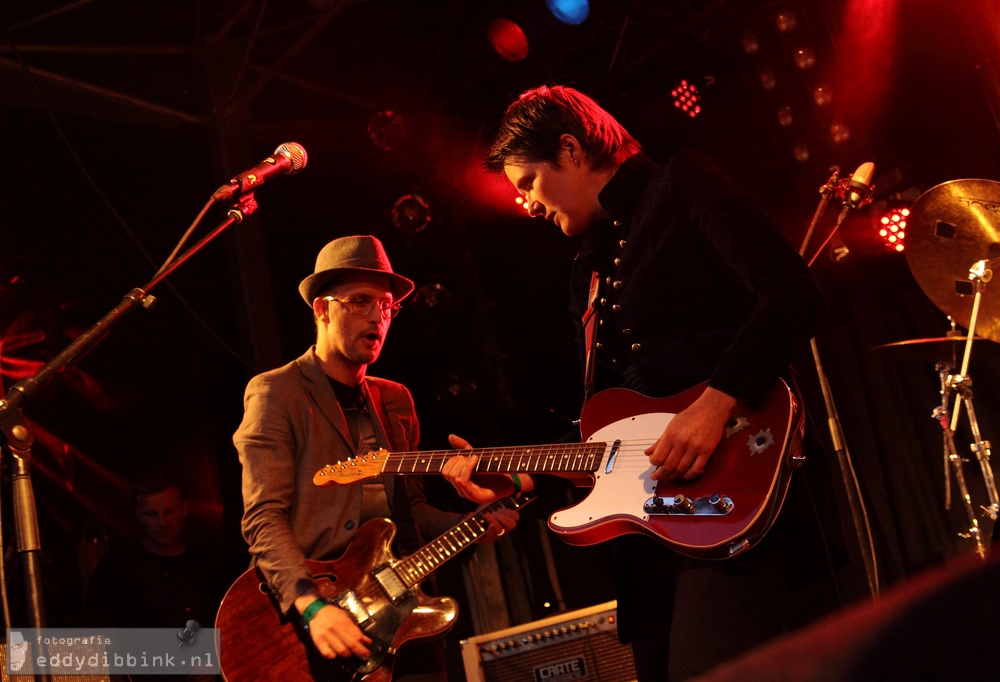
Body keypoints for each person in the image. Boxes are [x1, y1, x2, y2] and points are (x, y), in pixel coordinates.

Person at [443, 85, 842, 681]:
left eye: (526, 181)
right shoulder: (589, 268)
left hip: (734, 496)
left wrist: (714, 403)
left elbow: (791, 294)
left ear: (571, 149)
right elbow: (608, 430)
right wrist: (523, 474)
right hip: (651, 536)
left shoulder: (681, 183)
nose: (526, 204)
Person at [234, 235, 518, 680]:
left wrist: (479, 521)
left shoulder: (396, 400)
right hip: (317, 620)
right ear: (322, 309)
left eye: (386, 306)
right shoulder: (277, 391)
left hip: (401, 617)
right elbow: (263, 517)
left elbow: (411, 513)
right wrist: (311, 606)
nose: (377, 318)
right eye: (361, 302)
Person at [84, 469, 226, 630]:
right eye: (152, 514)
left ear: (184, 508)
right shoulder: (116, 568)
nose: (163, 522)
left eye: (169, 511)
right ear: (139, 515)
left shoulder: (207, 567)